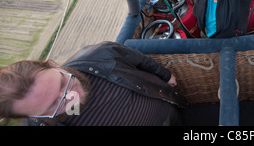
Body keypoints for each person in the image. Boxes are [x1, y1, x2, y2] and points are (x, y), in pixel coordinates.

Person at [0, 41, 186, 126]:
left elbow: (140, 60)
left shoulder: (100, 54)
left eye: (63, 82)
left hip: (173, 112)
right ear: (34, 117)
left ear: (53, 65)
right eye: (54, 104)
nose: (72, 96)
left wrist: (165, 75)